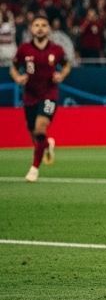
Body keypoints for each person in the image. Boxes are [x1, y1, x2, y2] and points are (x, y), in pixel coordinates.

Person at [10, 14, 70, 181]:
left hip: (49, 94)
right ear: (31, 29)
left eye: (44, 25)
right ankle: (47, 144)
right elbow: (13, 68)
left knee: (40, 128)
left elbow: (67, 65)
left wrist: (61, 75)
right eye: (37, 25)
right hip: (30, 95)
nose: (40, 28)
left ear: (49, 29)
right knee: (34, 134)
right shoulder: (24, 49)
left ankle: (34, 168)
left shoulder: (57, 50)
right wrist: (18, 78)